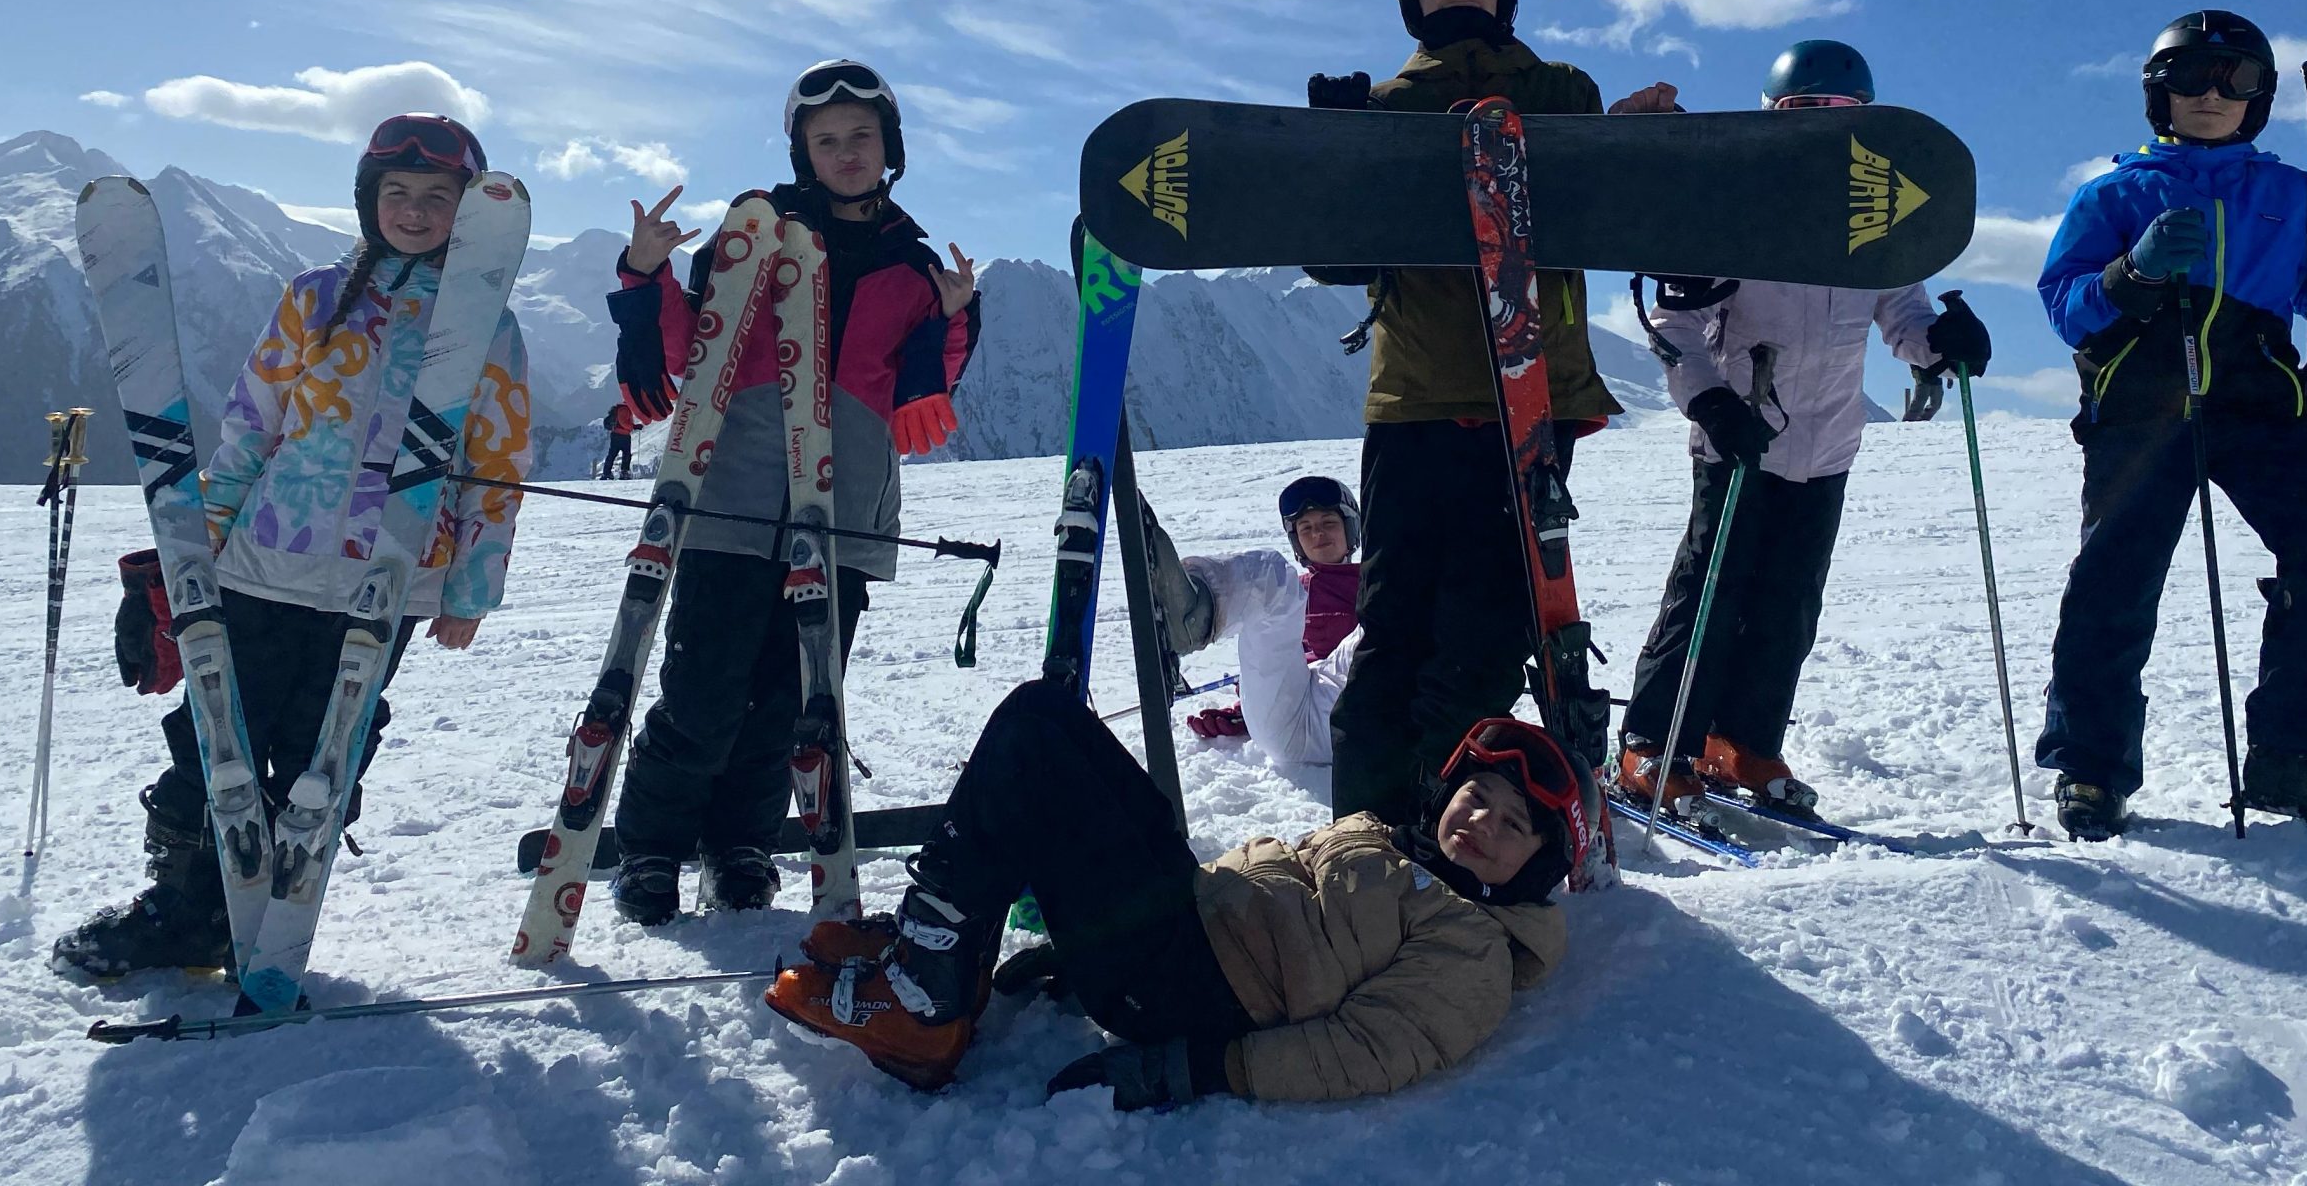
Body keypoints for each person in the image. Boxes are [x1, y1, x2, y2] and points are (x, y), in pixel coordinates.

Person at [55, 114, 531, 978]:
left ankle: (273, 897)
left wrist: (470, 588)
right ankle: (189, 906)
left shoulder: (487, 327)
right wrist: (192, 548)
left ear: (466, 213)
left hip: (387, 578)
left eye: (436, 198)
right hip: (265, 561)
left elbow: (497, 465)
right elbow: (250, 427)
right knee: (217, 735)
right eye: (398, 194)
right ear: (368, 201)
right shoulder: (316, 296)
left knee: (327, 748)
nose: (416, 212)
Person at [764, 680, 1588, 1102]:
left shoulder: (1475, 947)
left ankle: (921, 1006)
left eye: (1514, 825)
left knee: (1033, 753)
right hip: (1183, 919)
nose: (1482, 820)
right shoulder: (1394, 844)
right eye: (1477, 795)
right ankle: (938, 951)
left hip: (1182, 987)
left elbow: (1364, 1053)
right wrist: (1094, 927)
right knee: (1046, 715)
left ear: (1537, 870)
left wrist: (1193, 1070)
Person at [605, 60, 979, 923]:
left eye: (862, 137)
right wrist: (646, 274)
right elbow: (688, 349)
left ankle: (741, 843)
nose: (846, 153)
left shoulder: (916, 269)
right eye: (827, 140)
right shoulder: (755, 238)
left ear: (890, 146)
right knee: (702, 690)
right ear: (803, 151)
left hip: (841, 510)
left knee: (791, 703)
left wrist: (953, 320)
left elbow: (923, 389)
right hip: (731, 494)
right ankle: (654, 845)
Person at [2034, 11, 2307, 840]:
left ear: (2260, 98)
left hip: (2261, 407)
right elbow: (2065, 304)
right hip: (2140, 413)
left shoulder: (2290, 195)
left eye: (2235, 79)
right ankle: (2091, 768)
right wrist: (2130, 274)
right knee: (2114, 579)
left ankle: (2299, 753)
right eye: (2190, 76)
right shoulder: (2114, 194)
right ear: (2156, 94)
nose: (2211, 94)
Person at [1308, 0, 1650, 823]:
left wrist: (1649, 145)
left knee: (1486, 633)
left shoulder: (1564, 93)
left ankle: (1456, 839)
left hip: (1529, 400)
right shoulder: (1384, 108)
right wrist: (1334, 153)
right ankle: (1369, 838)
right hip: (1417, 403)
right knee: (1398, 631)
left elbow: (1622, 215)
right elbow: (1336, 262)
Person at [1615, 42, 1991, 815]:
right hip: (1739, 437)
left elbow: (1902, 310)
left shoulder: (1874, 218)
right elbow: (1677, 320)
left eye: (1839, 115)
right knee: (1709, 594)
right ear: (1772, 119)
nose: (1821, 129)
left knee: (1789, 603)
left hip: (1826, 444)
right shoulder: (1739, 211)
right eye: (1802, 113)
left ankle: (1742, 741)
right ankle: (1656, 743)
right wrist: (1709, 401)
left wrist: (1941, 341)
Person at [1165, 475, 1362, 765]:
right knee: (1271, 575)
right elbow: (1273, 659)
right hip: (1292, 718)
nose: (1317, 534)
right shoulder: (1291, 593)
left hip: (1353, 707)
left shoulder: (1373, 584)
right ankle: (1183, 617)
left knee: (1396, 603)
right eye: (1306, 528)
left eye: (1328, 523)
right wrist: (1249, 705)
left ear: (1350, 528)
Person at [599, 401, 636, 480]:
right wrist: (633, 426)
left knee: (612, 454)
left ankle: (606, 472)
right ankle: (624, 472)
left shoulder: (620, 408)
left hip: (616, 435)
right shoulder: (625, 409)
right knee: (626, 454)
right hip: (623, 435)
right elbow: (623, 423)